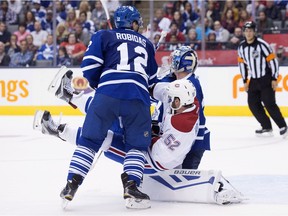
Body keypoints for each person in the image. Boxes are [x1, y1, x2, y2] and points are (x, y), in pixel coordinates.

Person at [46, 6, 158, 210]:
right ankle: (132, 188)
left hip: (107, 95)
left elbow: (88, 68)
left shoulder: (103, 35)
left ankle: (71, 185)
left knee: (89, 141)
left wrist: (103, 86)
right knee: (136, 146)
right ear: (133, 23)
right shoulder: (147, 44)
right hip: (138, 99)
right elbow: (151, 81)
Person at [153, 46, 210, 170]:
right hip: (178, 138)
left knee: (183, 176)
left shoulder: (191, 84)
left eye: (175, 60)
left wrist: (196, 143)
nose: (172, 63)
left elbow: (197, 116)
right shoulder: (178, 81)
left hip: (190, 141)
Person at [237, 21, 288, 138]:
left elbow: (273, 61)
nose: (248, 33)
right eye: (246, 31)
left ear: (254, 32)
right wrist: (245, 80)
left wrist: (274, 78)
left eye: (250, 31)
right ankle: (266, 127)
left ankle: (283, 126)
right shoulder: (241, 47)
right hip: (253, 80)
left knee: (269, 103)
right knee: (253, 104)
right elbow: (242, 64)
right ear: (244, 32)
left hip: (266, 78)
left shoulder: (262, 44)